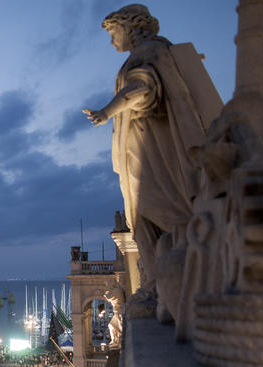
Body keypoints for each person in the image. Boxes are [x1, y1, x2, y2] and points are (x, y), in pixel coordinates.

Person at [83, 3, 218, 316]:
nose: (111, 40)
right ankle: (161, 284)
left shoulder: (148, 54)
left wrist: (107, 111)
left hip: (151, 150)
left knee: (152, 212)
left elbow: (142, 88)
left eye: (113, 31)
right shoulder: (160, 52)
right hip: (152, 145)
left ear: (130, 26)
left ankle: (169, 283)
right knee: (147, 217)